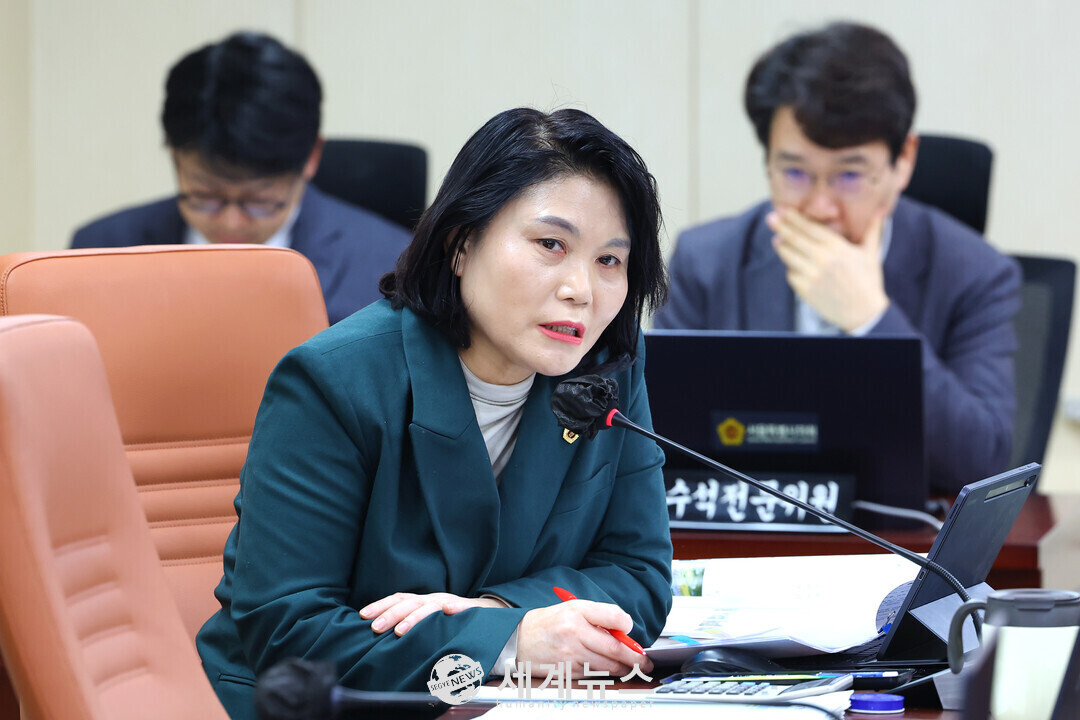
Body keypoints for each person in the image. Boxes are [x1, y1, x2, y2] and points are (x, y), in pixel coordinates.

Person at [195, 107, 674, 719]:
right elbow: (289, 632)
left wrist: (499, 615)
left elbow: (639, 576)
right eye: (551, 245)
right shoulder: (333, 381)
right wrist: (506, 643)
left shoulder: (606, 369)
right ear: (460, 244)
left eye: (609, 261)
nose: (581, 289)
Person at [654, 22, 1021, 496]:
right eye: (794, 172)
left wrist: (872, 319)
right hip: (748, 527)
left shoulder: (977, 274)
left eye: (849, 175)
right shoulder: (707, 262)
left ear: (904, 160)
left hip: (898, 534)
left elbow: (984, 463)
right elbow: (660, 443)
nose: (820, 207)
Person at [71, 32, 410, 325]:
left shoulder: (392, 266)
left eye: (258, 201)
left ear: (310, 158)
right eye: (206, 197)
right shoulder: (96, 253)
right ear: (176, 159)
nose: (230, 224)